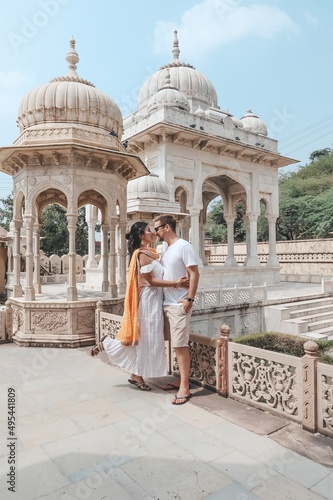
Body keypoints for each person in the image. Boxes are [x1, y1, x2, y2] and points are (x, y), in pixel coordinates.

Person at [91, 221, 189, 391]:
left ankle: (135, 374)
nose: (152, 233)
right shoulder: (141, 255)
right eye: (148, 231)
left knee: (146, 341)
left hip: (155, 301)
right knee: (147, 340)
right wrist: (176, 284)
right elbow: (150, 281)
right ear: (140, 235)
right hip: (148, 302)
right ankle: (111, 347)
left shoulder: (150, 252)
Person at [154, 214, 200, 405]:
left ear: (166, 228)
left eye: (157, 228)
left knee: (180, 346)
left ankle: (185, 387)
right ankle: (179, 379)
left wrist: (190, 298)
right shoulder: (166, 249)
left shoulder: (183, 246)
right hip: (166, 303)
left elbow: (194, 273)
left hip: (178, 304)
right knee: (174, 344)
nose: (155, 232)